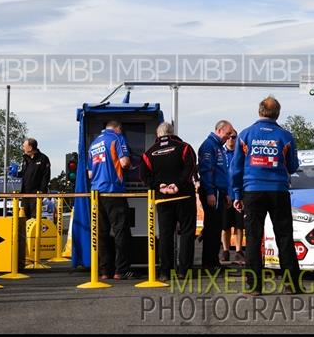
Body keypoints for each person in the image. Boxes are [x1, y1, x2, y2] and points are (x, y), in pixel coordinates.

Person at [230, 96, 302, 295]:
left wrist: (237, 194)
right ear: (278, 113)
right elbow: (294, 166)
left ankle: (254, 287)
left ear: (259, 111)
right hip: (278, 191)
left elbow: (235, 168)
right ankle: (292, 285)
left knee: (253, 238)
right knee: (284, 237)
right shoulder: (286, 136)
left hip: (252, 192)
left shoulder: (245, 134)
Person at [142, 122, 197, 281]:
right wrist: (177, 184)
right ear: (172, 132)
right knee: (186, 233)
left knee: (165, 234)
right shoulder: (184, 147)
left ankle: (165, 271)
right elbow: (191, 167)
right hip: (184, 196)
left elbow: (144, 176)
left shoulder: (148, 153)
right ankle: (183, 271)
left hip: (163, 198)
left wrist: (159, 186)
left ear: (158, 135)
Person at [88, 121, 136, 281]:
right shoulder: (117, 138)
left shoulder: (94, 143)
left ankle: (104, 271)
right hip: (114, 191)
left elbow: (89, 173)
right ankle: (121, 270)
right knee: (121, 231)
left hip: (96, 193)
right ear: (118, 128)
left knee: (101, 233)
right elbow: (124, 162)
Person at [197, 119, 235, 271]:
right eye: (227, 133)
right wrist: (210, 193)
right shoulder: (208, 146)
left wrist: (225, 193)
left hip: (219, 192)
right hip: (212, 192)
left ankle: (214, 261)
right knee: (211, 228)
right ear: (219, 131)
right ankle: (208, 263)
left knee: (216, 228)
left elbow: (221, 172)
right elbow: (206, 171)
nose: (229, 137)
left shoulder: (218, 147)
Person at [220, 130, 245, 263]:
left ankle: (239, 250)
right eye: (228, 137)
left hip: (238, 195)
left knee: (239, 225)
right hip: (225, 195)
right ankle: (225, 250)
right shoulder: (221, 153)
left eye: (234, 137)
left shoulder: (240, 154)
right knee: (225, 226)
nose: (231, 139)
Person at [19, 138, 51, 220]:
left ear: (30, 148)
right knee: (23, 218)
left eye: (24, 146)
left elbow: (46, 177)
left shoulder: (43, 159)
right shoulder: (24, 159)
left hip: (36, 195)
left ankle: (35, 233)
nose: (23, 148)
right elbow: (24, 174)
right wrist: (15, 173)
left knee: (34, 219)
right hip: (25, 195)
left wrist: (41, 193)